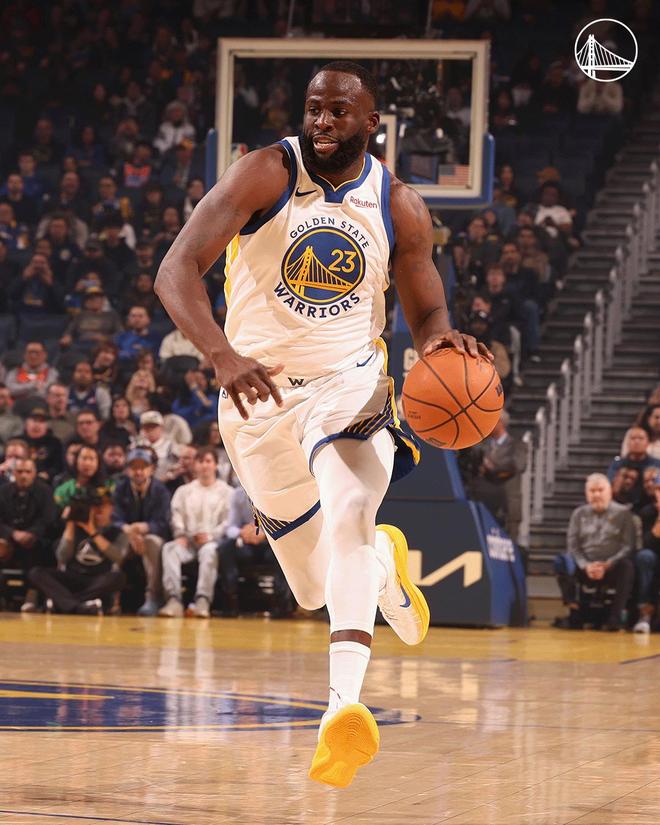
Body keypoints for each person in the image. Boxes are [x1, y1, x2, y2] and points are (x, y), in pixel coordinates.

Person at [155, 61, 490, 787]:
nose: (323, 122)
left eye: (339, 111)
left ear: (373, 123)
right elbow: (175, 269)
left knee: (349, 512)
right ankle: (382, 570)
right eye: (314, 109)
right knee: (311, 586)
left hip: (350, 383)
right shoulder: (265, 173)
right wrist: (221, 354)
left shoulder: (397, 204)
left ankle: (343, 707)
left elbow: (427, 309)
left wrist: (440, 342)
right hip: (257, 395)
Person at [555, 474, 636, 631]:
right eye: (592, 491)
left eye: (600, 490)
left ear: (610, 491)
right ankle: (574, 610)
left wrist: (608, 564)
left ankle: (615, 618)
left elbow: (628, 546)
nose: (596, 494)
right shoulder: (578, 514)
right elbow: (573, 546)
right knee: (562, 561)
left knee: (627, 566)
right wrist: (586, 565)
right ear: (586, 494)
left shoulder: (623, 514)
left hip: (612, 566)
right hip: (585, 566)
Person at [159, 447, 232, 618]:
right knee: (169, 549)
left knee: (209, 551)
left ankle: (202, 600)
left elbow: (228, 521)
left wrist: (211, 536)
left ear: (215, 465)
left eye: (208, 461)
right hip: (188, 541)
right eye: (200, 461)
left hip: (212, 541)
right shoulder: (184, 491)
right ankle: (174, 600)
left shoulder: (227, 492)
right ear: (195, 465)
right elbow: (176, 515)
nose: (204, 465)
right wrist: (180, 534)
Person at [30, 493, 127, 615]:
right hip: (73, 576)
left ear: (111, 509)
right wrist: (70, 524)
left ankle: (66, 603)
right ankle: (79, 605)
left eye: (103, 507)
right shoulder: (74, 529)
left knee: (118, 577)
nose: (99, 511)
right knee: (36, 573)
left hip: (98, 580)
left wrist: (93, 532)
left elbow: (118, 557)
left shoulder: (117, 533)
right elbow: (62, 557)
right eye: (95, 508)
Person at [112, 447, 171, 616]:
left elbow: (163, 522)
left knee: (152, 542)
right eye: (134, 467)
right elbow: (113, 518)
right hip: (127, 534)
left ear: (151, 469)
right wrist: (129, 530)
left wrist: (144, 528)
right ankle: (111, 597)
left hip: (152, 536)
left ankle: (153, 597)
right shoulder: (120, 488)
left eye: (143, 467)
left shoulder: (160, 490)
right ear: (127, 470)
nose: (138, 471)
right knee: (116, 545)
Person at [217, 483, 287, 617]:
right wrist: (242, 532)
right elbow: (230, 527)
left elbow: (284, 523)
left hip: (271, 543)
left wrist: (264, 533)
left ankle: (282, 605)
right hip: (247, 543)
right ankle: (230, 601)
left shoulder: (275, 491)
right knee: (225, 547)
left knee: (284, 550)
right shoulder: (237, 494)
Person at [0, 457, 56, 612]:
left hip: (37, 540)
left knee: (37, 547)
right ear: (13, 473)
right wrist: (12, 533)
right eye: (19, 471)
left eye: (27, 472)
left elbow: (49, 519)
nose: (23, 475)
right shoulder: (3, 491)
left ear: (34, 473)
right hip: (7, 539)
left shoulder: (45, 491)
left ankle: (32, 595)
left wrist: (31, 533)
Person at [465, 411, 527, 541]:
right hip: (483, 501)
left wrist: (490, 467)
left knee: (508, 543)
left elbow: (518, 465)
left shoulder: (517, 445)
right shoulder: (482, 446)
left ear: (500, 422)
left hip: (508, 505)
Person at [633, 471, 660, 634]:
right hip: (653, 559)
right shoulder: (646, 513)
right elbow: (644, 545)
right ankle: (645, 614)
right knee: (644, 557)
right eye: (659, 489)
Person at [23, 406, 63, 482]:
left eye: (41, 421)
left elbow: (58, 466)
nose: (37, 425)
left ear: (47, 425)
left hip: (45, 481)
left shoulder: (55, 443)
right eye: (34, 420)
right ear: (26, 423)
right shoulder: (17, 441)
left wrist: (48, 474)